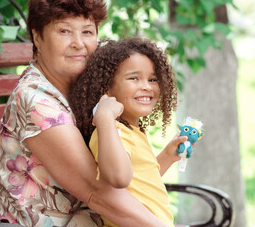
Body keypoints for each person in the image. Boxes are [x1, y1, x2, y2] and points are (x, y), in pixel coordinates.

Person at [0, 0, 182, 226]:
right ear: (38, 37)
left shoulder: (84, 92)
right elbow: (97, 192)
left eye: (87, 32)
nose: (79, 43)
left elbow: (127, 179)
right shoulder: (36, 101)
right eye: (64, 31)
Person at [69, 38, 189, 227]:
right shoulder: (109, 132)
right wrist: (105, 118)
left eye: (152, 79)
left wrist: (168, 155)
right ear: (107, 86)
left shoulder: (129, 131)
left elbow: (138, 183)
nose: (146, 86)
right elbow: (119, 178)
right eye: (134, 78)